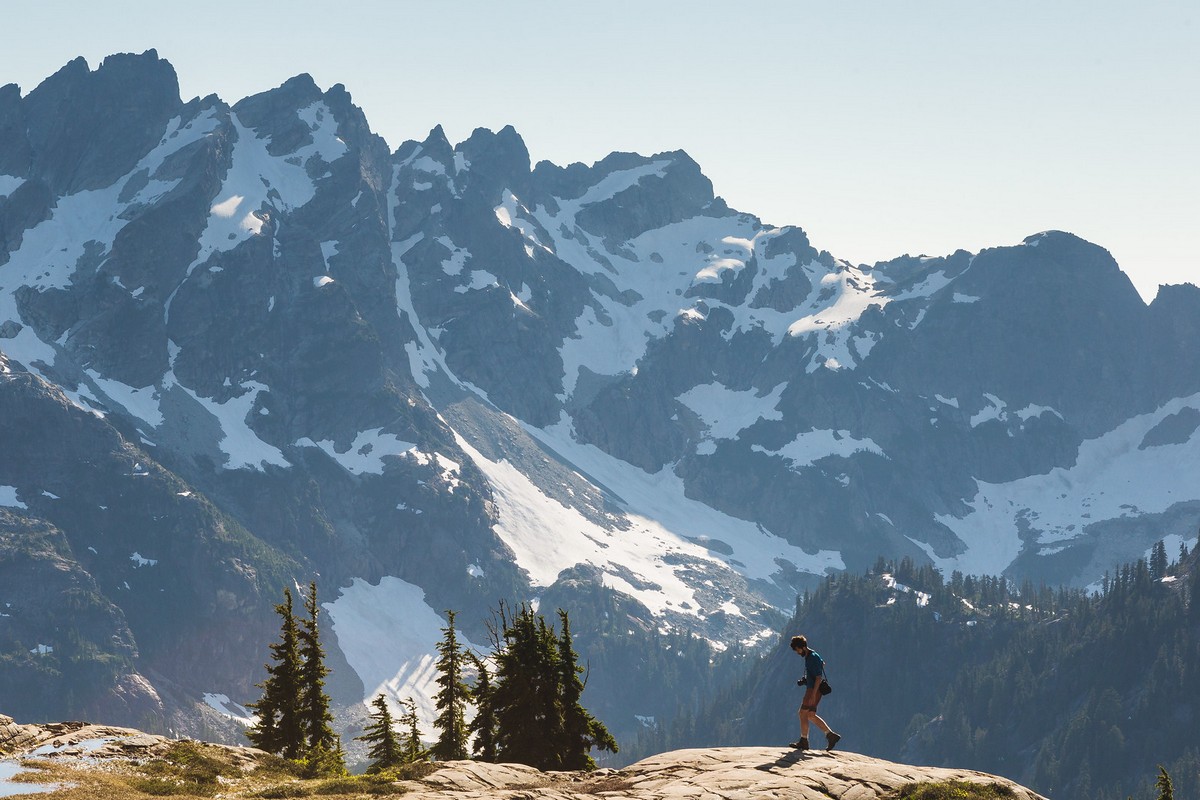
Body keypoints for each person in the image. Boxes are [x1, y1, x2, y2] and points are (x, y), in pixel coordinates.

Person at [790, 635, 841, 751]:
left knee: (802, 713)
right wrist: (807, 679)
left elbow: (818, 677)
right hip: (813, 688)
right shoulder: (811, 656)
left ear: (802, 647)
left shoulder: (812, 657)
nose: (797, 652)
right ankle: (830, 735)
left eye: (797, 650)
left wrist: (813, 694)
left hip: (813, 690)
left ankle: (804, 741)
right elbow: (822, 663)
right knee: (810, 715)